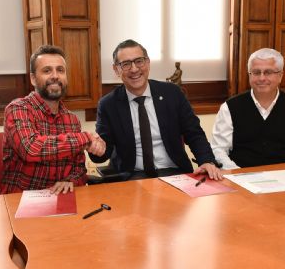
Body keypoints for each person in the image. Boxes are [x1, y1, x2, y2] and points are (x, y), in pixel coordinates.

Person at [90, 39, 222, 180]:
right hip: (131, 176)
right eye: (126, 64)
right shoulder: (108, 105)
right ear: (116, 69)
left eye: (139, 61)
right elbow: (103, 152)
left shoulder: (172, 93)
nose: (134, 69)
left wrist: (206, 161)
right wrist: (96, 148)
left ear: (147, 63)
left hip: (175, 173)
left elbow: (194, 133)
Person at [2, 45, 105, 194]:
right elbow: (31, 149)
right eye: (47, 70)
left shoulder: (72, 119)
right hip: (20, 199)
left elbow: (79, 169)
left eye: (60, 70)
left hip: (61, 197)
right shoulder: (18, 109)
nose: (55, 76)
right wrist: (86, 138)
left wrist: (70, 180)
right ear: (33, 79)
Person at [211, 48, 285, 169]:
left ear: (280, 76)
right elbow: (218, 150)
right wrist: (237, 173)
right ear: (249, 75)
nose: (261, 78)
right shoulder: (230, 107)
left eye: (268, 72)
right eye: (256, 72)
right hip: (241, 175)